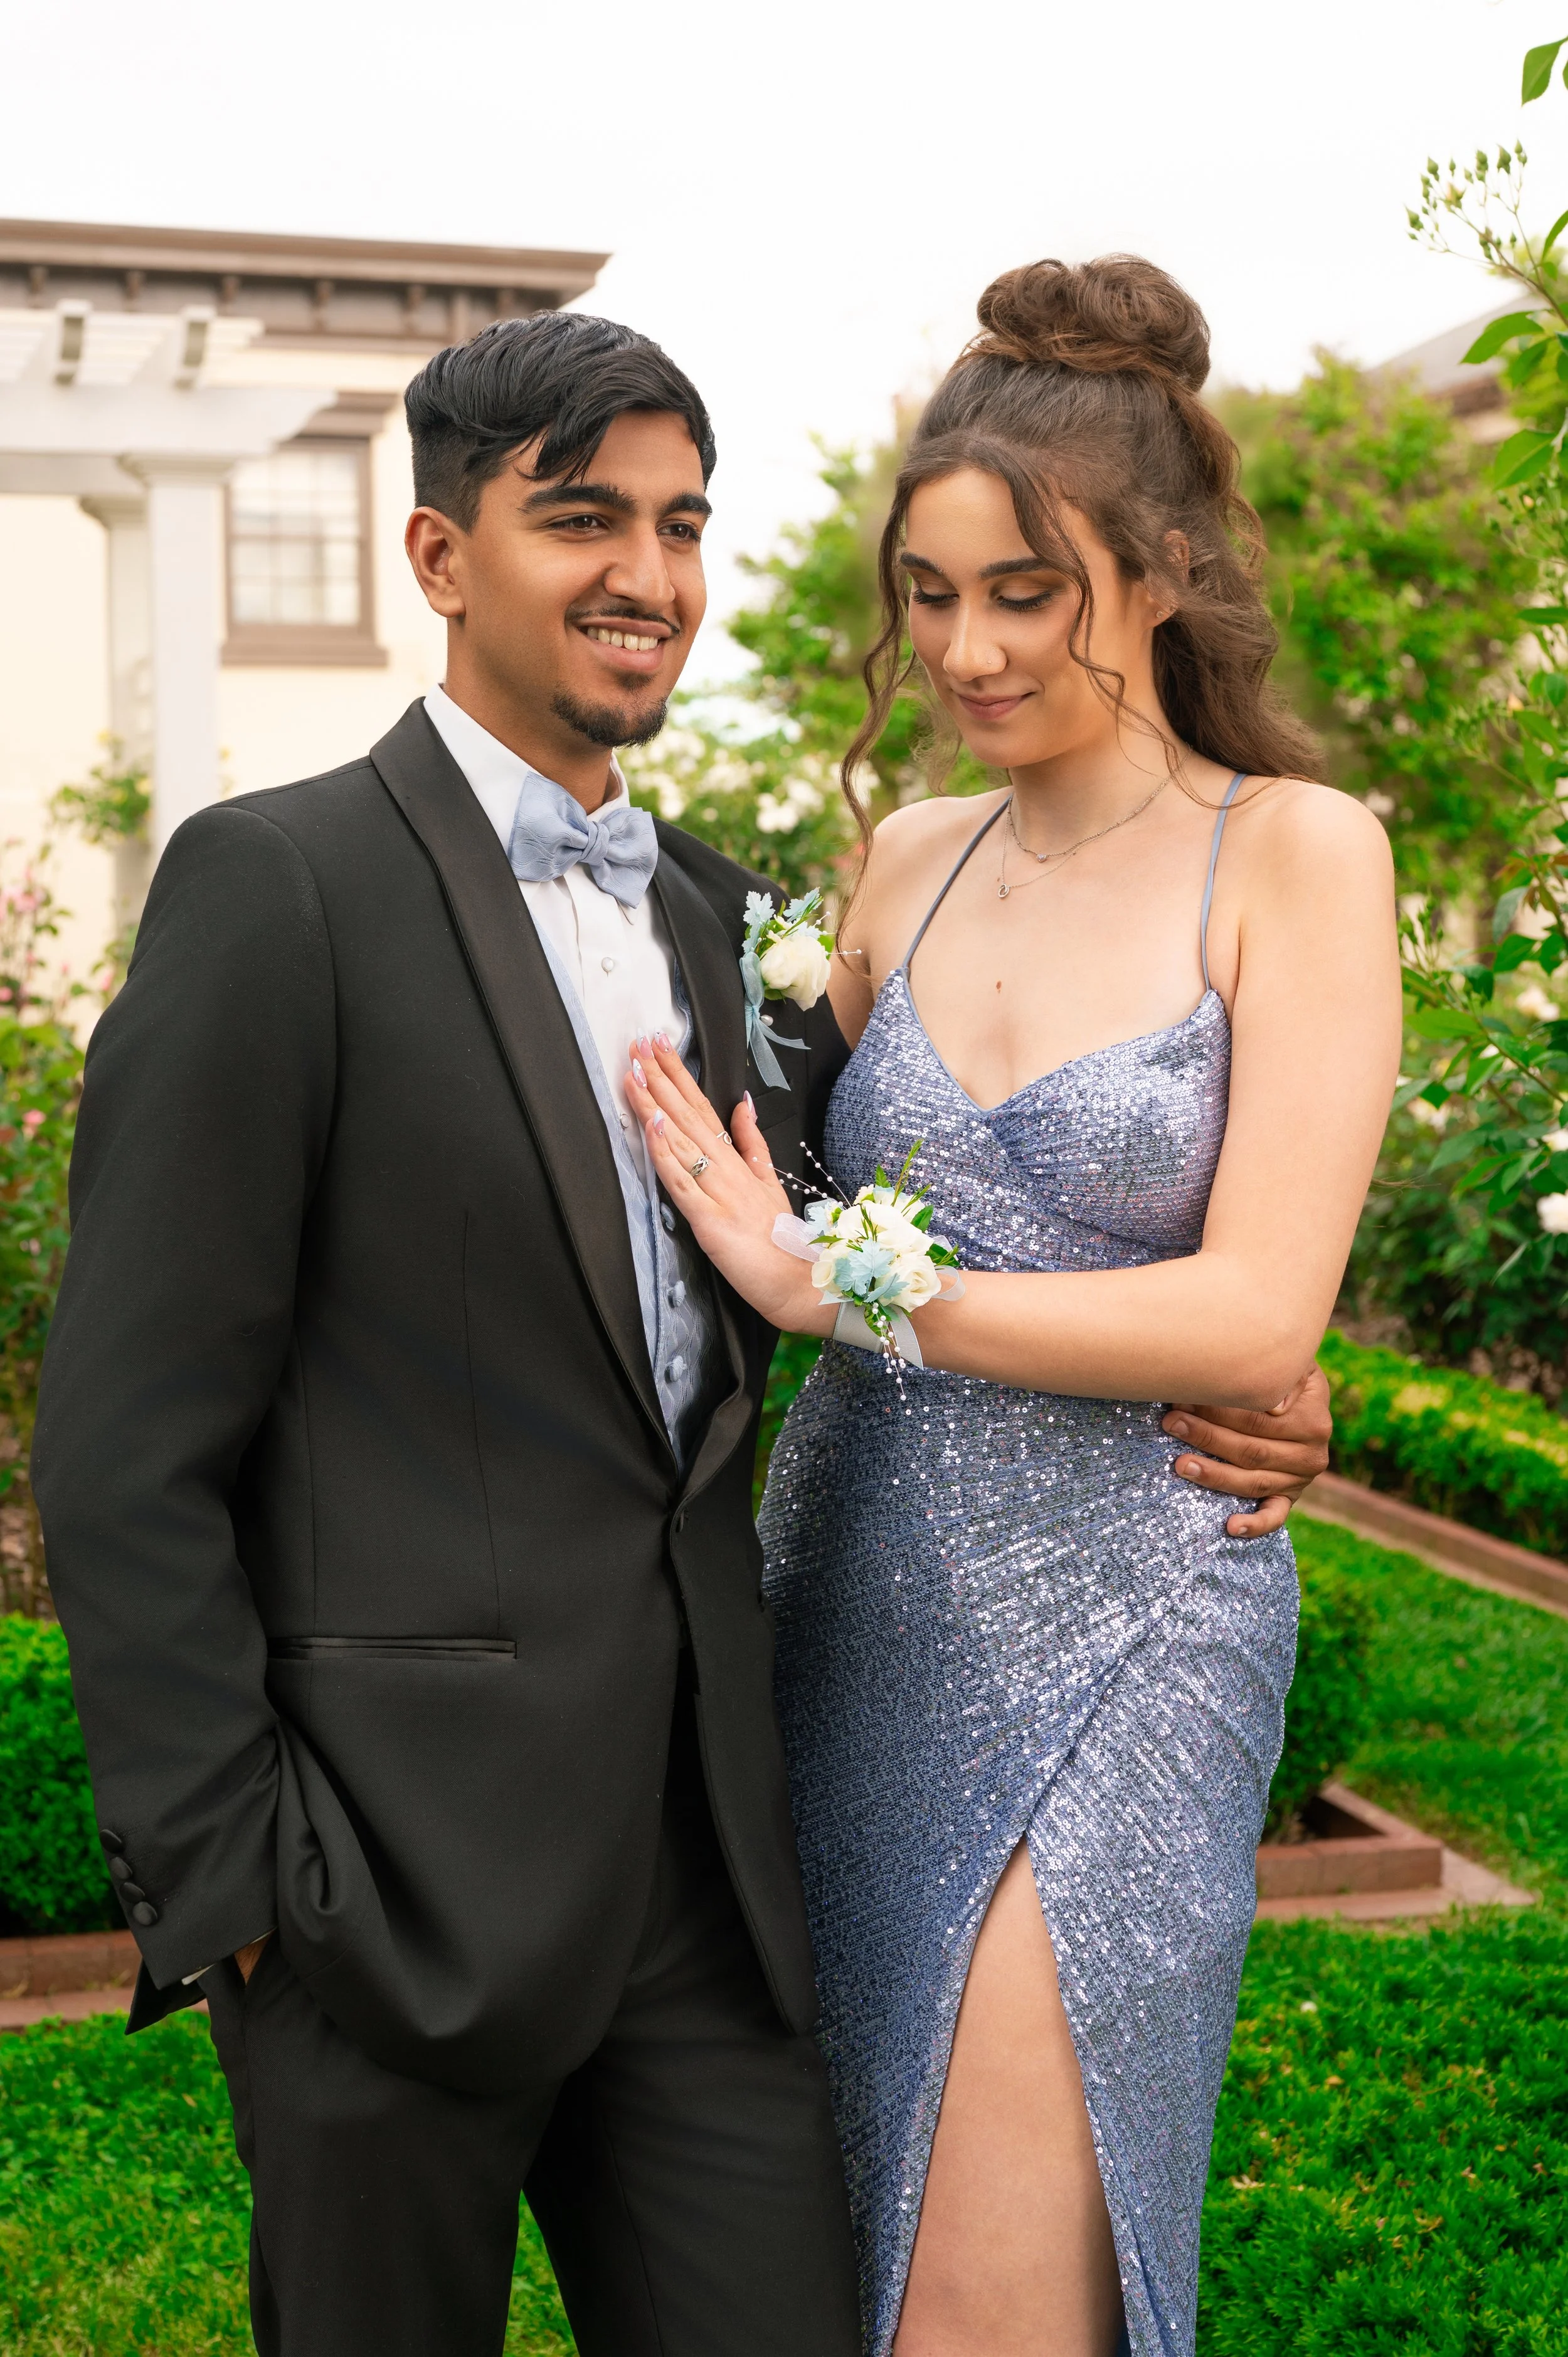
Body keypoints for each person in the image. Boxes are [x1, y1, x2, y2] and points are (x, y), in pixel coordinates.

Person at [34, 301, 1325, 2357]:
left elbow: (871, 1221)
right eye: (581, 520)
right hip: (385, 1885)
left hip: (720, 1875)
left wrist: (1256, 1354)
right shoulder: (272, 887)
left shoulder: (726, 920)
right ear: (442, 555)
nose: (645, 573)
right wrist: (239, 1892)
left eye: (680, 520)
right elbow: (121, 1444)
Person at [622, 255, 1399, 2357]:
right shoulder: (904, 868)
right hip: (848, 1594)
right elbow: (739, 1196)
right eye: (930, 592)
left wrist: (859, 1303)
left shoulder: (1296, 854)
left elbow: (1251, 1311)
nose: (961, 648)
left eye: (1022, 593)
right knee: (852, 2225)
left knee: (995, 2275)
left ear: (1156, 574)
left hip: (1129, 1630)